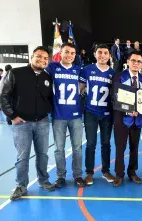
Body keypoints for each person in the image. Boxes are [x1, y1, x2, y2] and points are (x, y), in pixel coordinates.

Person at [0, 46, 55, 200]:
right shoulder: (16, 73)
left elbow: (49, 98)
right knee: (23, 157)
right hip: (22, 123)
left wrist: (47, 111)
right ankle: (21, 185)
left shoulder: (47, 78)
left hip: (42, 122)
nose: (42, 60)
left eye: (45, 58)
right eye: (39, 56)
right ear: (32, 57)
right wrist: (13, 116)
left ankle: (44, 180)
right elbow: (2, 96)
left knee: (43, 154)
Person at [45, 42, 86, 188]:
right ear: (60, 53)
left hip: (75, 115)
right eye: (67, 52)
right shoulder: (52, 67)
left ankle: (77, 175)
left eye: (72, 53)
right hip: (58, 115)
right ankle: (61, 176)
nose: (69, 55)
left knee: (77, 148)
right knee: (59, 149)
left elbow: (84, 86)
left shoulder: (78, 70)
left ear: (75, 56)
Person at [79, 44, 115, 185]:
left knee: (106, 143)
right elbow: (79, 89)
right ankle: (89, 172)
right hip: (91, 112)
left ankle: (105, 171)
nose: (102, 55)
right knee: (91, 143)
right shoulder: (87, 70)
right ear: (95, 54)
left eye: (105, 53)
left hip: (107, 113)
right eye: (100, 52)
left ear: (109, 56)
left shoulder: (113, 73)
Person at [112, 51, 142, 187]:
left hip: (137, 119)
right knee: (120, 147)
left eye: (139, 61)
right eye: (133, 61)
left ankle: (132, 172)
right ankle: (119, 174)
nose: (136, 63)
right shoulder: (119, 77)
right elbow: (115, 97)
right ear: (128, 62)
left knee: (134, 147)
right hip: (121, 118)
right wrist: (127, 109)